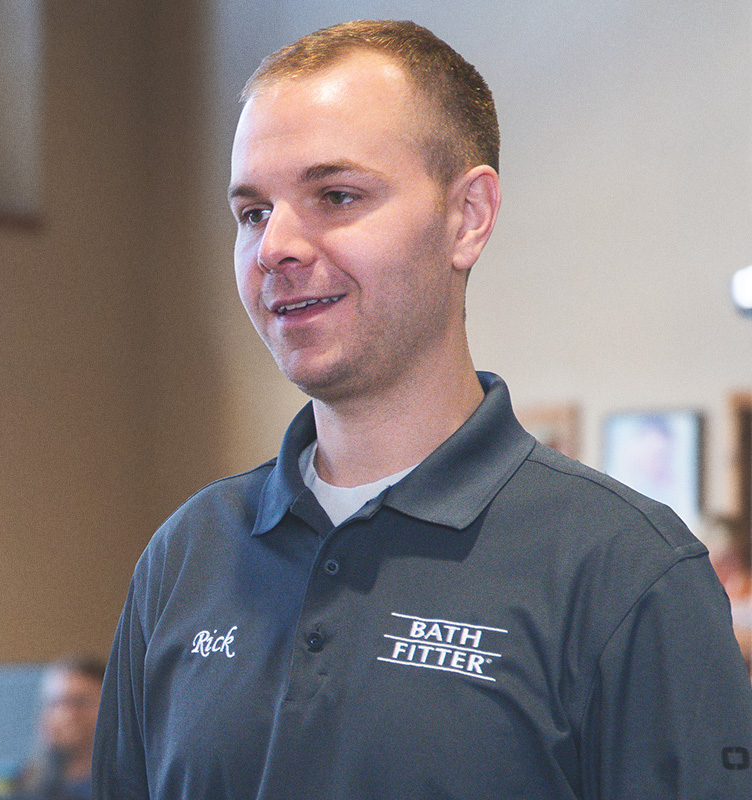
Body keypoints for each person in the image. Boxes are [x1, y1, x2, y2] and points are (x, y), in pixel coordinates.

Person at [93, 19, 752, 799]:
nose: (275, 248)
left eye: (335, 196)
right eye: (253, 213)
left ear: (467, 216)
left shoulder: (624, 571)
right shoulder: (185, 559)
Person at [11, 655, 104, 800]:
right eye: (55, 703)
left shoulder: (128, 784)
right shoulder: (27, 783)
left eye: (79, 702)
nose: (66, 715)